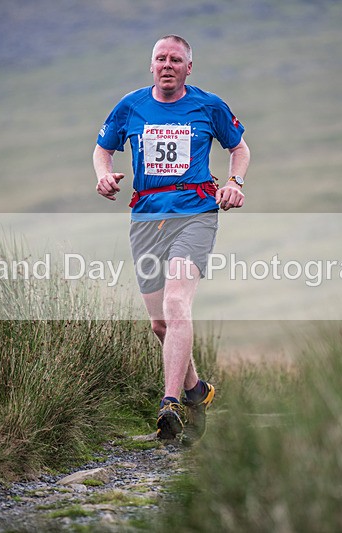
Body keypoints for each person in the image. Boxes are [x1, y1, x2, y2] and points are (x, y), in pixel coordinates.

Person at [93, 34, 250, 440]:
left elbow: (240, 149)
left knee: (177, 302)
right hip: (146, 219)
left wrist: (234, 182)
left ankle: (170, 405)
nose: (167, 65)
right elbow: (102, 148)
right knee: (161, 324)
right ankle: (197, 391)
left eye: (175, 60)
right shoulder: (130, 106)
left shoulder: (208, 105)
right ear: (151, 65)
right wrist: (103, 175)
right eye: (160, 58)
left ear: (188, 68)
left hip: (195, 214)